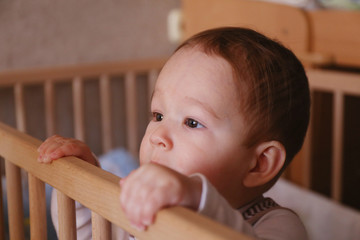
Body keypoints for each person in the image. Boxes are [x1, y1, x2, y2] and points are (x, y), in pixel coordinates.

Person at [37, 27, 310, 240]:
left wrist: (196, 196)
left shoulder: (276, 224)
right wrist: (83, 183)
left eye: (192, 122)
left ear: (259, 163)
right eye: (158, 116)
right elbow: (93, 235)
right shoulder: (146, 206)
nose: (158, 135)